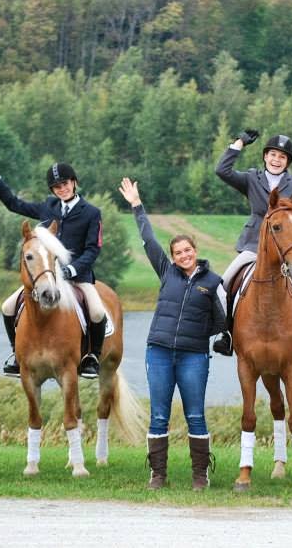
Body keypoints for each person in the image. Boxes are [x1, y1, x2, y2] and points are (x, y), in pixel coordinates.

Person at [118, 177, 228, 491]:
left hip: (194, 356)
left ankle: (199, 476)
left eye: (187, 250)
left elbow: (223, 322)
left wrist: (200, 335)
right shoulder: (166, 271)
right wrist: (137, 205)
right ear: (173, 256)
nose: (183, 255)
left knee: (195, 415)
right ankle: (158, 476)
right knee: (159, 415)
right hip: (160, 351)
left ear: (196, 250)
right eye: (177, 252)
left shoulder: (214, 282)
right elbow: (149, 240)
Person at [0, 152, 108, 379]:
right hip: (45, 276)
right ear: (52, 190)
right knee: (7, 307)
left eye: (65, 184)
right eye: (56, 187)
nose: (62, 189)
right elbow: (13, 204)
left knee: (97, 311)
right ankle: (16, 355)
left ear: (74, 182)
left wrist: (71, 269)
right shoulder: (48, 207)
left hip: (77, 276)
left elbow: (93, 249)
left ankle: (92, 357)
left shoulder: (91, 213)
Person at [215, 130, 292, 358]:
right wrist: (238, 143)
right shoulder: (250, 179)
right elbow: (222, 171)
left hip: (291, 247)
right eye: (273, 155)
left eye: (282, 157)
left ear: (288, 162)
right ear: (265, 156)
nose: (276, 160)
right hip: (254, 246)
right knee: (223, 285)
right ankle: (226, 334)